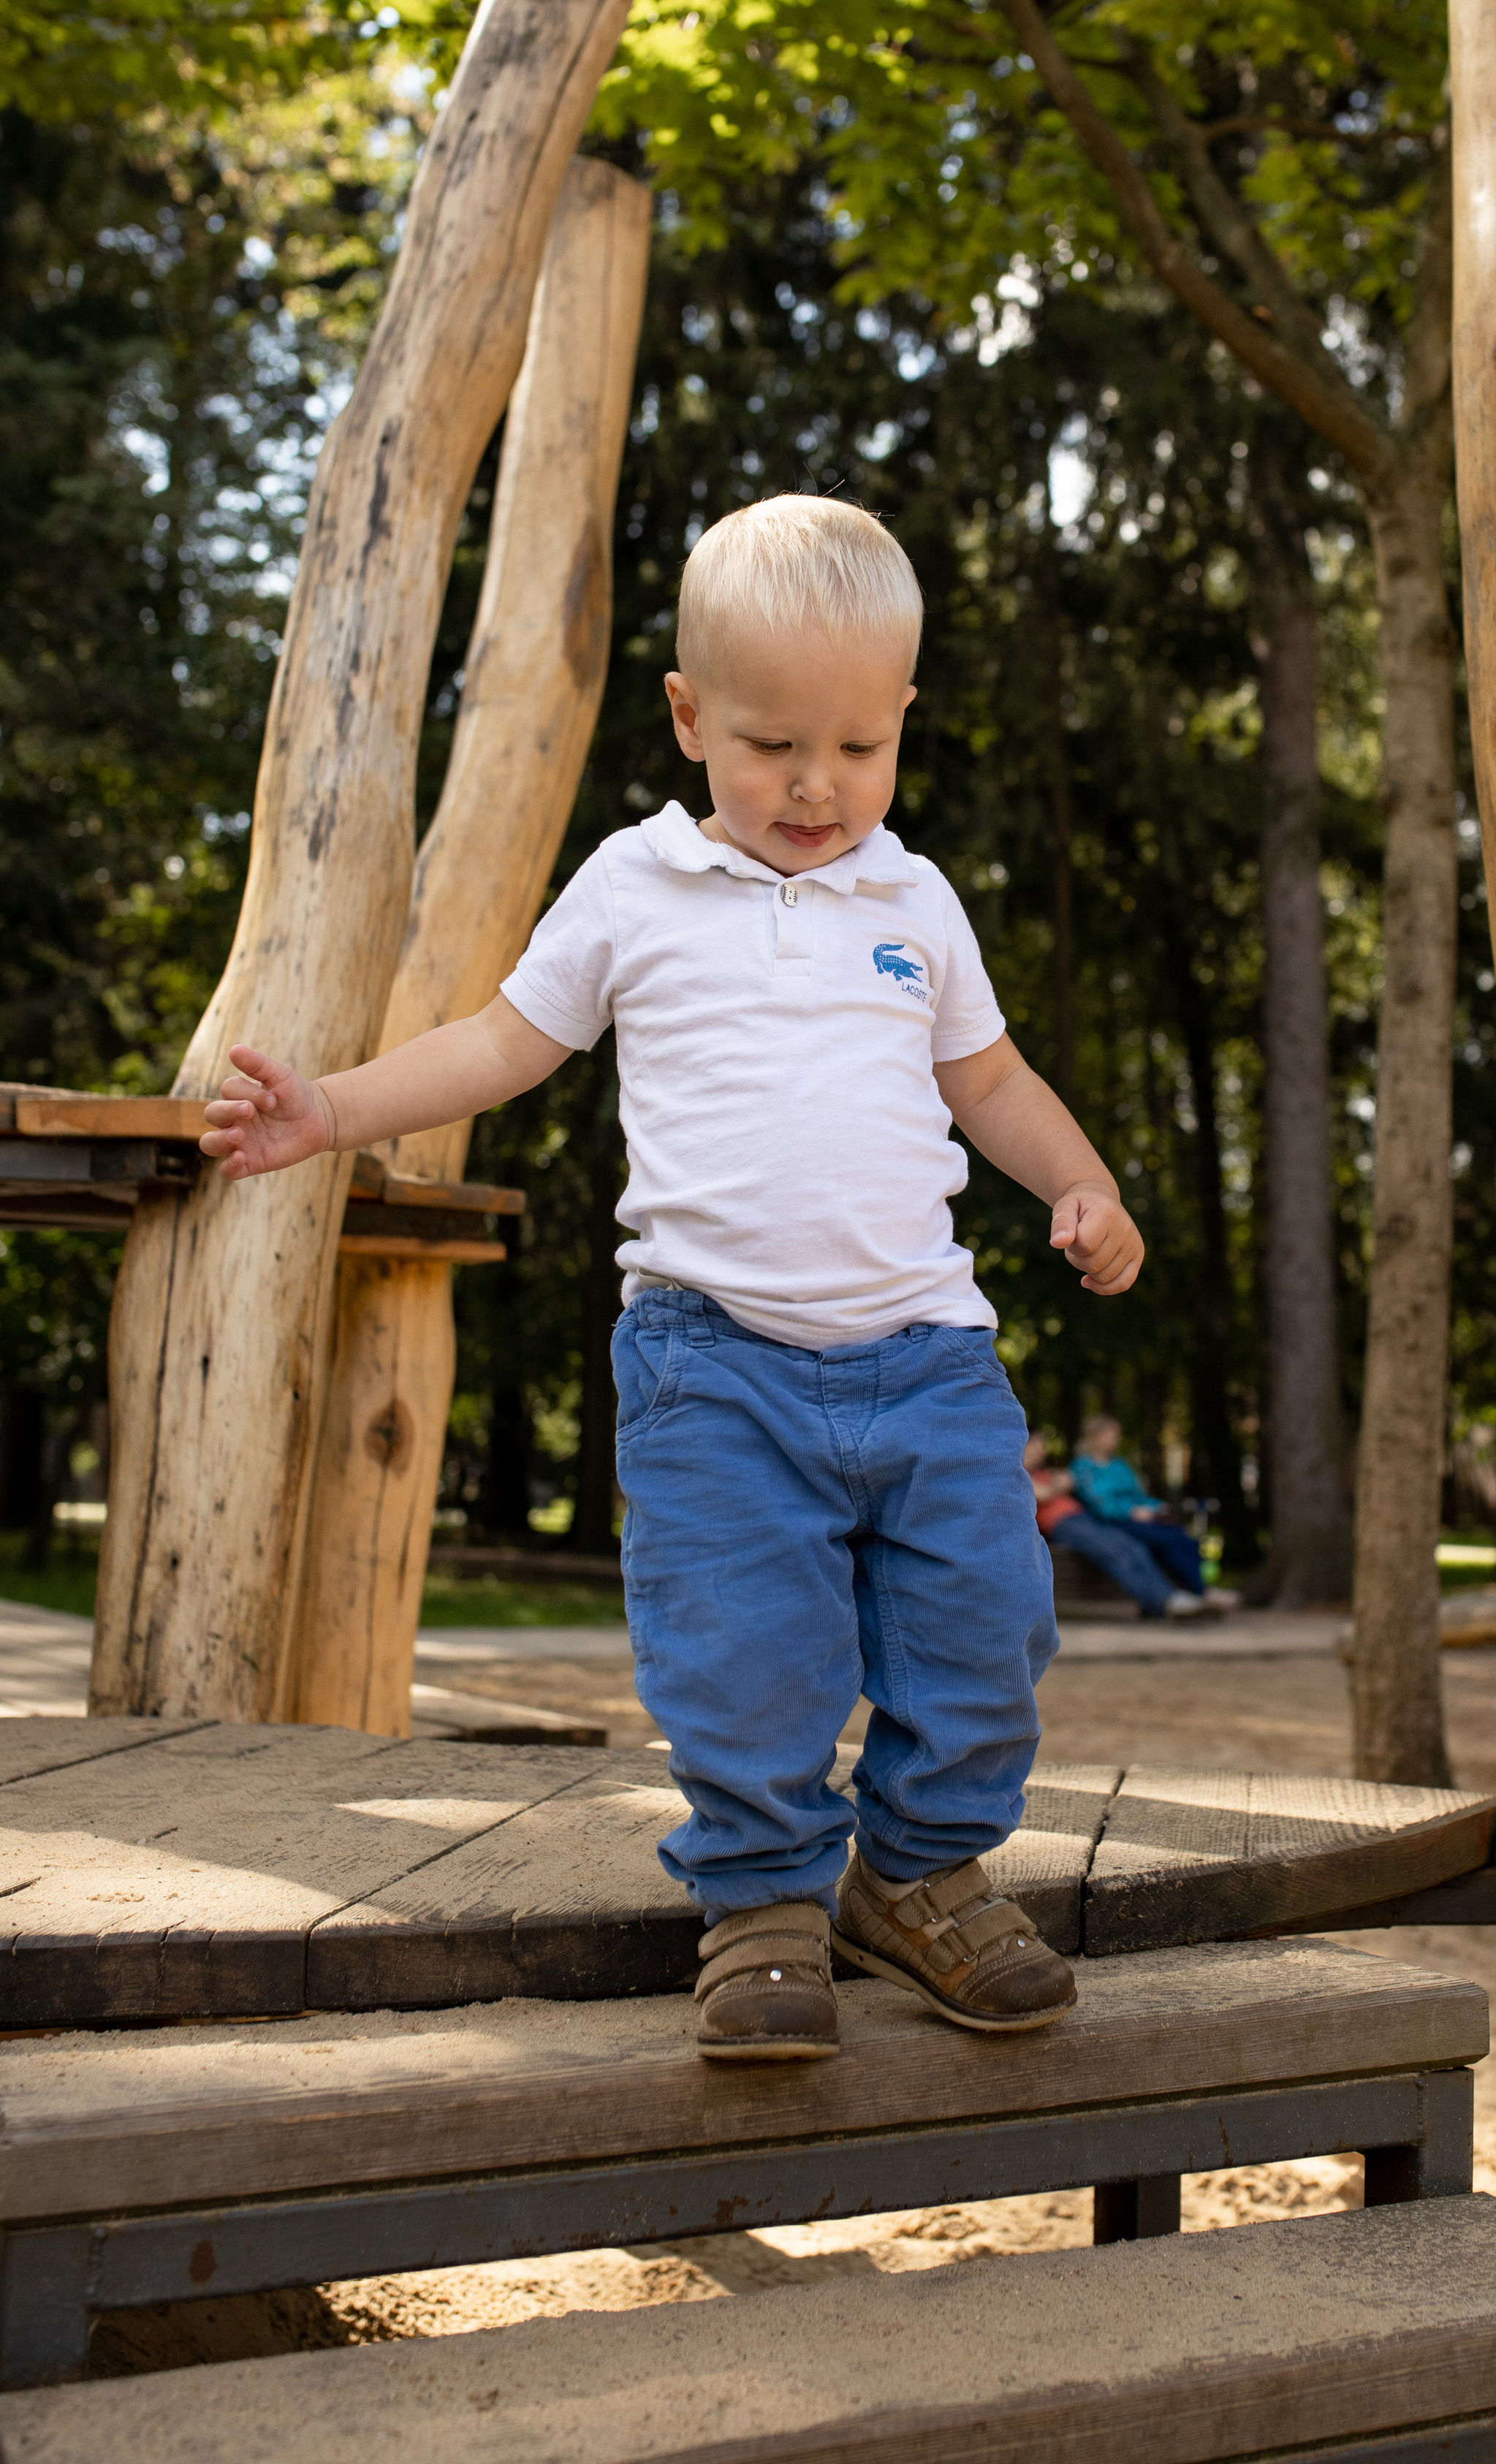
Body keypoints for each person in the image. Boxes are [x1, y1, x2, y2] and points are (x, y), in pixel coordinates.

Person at [201, 495, 1146, 2068]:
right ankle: (767, 1900)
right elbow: (501, 1044)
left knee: (986, 1627)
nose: (815, 786)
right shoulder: (635, 889)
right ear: (691, 717)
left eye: (858, 748)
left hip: (923, 1359)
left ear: (901, 722)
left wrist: (1081, 1180)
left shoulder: (913, 904)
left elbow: (988, 1082)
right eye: (774, 744)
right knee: (741, 1648)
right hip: (712, 1365)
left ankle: (914, 1876)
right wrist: (336, 1111)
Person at [1024, 1431, 1215, 1621]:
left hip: (1084, 1517)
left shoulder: (1043, 1473)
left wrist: (1059, 1483)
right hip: (1063, 1523)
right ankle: (1164, 1601)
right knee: (1116, 1552)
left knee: (1134, 1547)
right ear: (1024, 1446)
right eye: (1037, 1445)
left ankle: (1168, 1599)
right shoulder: (1019, 1474)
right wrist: (1059, 1483)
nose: (1043, 1451)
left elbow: (1067, 1482)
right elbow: (1044, 1493)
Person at [1071, 1414, 1239, 1611]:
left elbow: (1138, 1495)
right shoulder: (1083, 1467)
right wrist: (1132, 1511)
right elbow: (1099, 1504)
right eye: (1111, 1434)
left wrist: (1156, 1507)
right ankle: (1199, 1593)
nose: (1116, 1439)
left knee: (1180, 1538)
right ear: (1095, 1436)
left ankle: (1197, 1595)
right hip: (1113, 1522)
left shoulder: (1120, 1466)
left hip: (1141, 1518)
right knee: (1170, 1540)